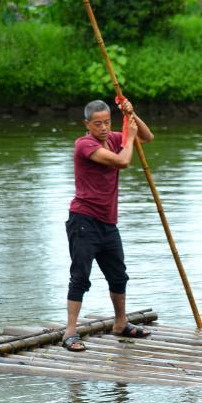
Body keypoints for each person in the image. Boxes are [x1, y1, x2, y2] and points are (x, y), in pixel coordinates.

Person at [62, 98, 154, 352]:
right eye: (98, 123)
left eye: (107, 122)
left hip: (108, 223)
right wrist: (130, 135)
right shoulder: (84, 145)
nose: (103, 128)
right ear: (87, 124)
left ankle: (120, 324)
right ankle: (70, 333)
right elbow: (122, 161)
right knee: (80, 277)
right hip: (83, 222)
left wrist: (132, 116)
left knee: (118, 276)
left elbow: (147, 137)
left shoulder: (114, 138)